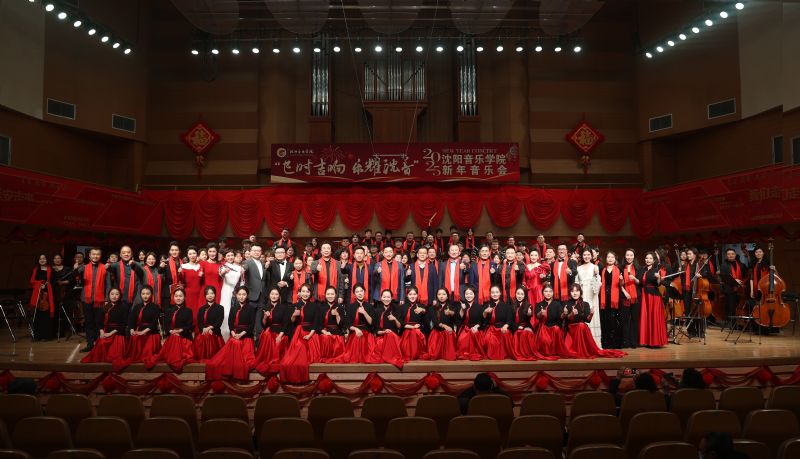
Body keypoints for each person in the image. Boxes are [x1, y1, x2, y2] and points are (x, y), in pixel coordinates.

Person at [205, 286, 257, 381]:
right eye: (239, 294)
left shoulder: (251, 308)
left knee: (243, 359)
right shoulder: (233, 308)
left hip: (246, 336)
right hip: (234, 335)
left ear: (247, 295)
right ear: (236, 295)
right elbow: (230, 323)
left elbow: (251, 325)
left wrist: (241, 335)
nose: (241, 296)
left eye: (244, 294)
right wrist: (233, 333)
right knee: (220, 360)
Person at [565, 284, 625, 359]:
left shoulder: (585, 304)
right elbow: (566, 319)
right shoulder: (566, 303)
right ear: (570, 292)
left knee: (581, 325)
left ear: (580, 292)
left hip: (581, 328)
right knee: (581, 325)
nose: (575, 293)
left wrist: (591, 314)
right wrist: (572, 314)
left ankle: (582, 350)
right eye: (572, 291)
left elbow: (588, 320)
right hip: (571, 329)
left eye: (577, 291)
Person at [279, 283, 322, 383]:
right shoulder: (294, 305)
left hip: (311, 332)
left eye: (307, 292)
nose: (305, 294)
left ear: (310, 293)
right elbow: (291, 322)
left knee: (303, 348)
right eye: (303, 291)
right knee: (299, 346)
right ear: (300, 293)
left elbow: (316, 323)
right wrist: (294, 315)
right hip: (298, 332)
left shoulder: (315, 306)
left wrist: (309, 335)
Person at [144, 288, 194, 372]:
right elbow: (166, 326)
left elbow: (189, 326)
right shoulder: (168, 311)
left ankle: (175, 360)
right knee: (174, 338)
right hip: (172, 336)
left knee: (176, 338)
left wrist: (180, 331)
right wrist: (170, 331)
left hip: (184, 337)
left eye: (180, 296)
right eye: (176, 296)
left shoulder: (188, 311)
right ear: (173, 297)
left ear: (184, 297)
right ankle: (173, 359)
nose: (178, 298)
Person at [115, 285, 161, 371]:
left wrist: (144, 332)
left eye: (147, 293)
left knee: (147, 353)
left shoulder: (155, 307)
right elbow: (131, 320)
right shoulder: (137, 306)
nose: (145, 296)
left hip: (150, 333)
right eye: (143, 294)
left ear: (151, 294)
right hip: (138, 331)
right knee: (135, 338)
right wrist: (132, 329)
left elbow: (154, 323)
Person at [81, 287, 128, 363]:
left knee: (115, 354)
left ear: (120, 296)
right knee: (102, 344)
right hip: (106, 331)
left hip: (117, 332)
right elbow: (99, 322)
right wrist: (102, 332)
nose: (114, 296)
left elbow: (123, 324)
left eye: (117, 294)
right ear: (109, 295)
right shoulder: (104, 307)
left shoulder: (123, 307)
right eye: (112, 294)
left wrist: (111, 333)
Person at [74, 247, 107, 352]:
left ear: (100, 256)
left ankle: (99, 344)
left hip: (100, 299)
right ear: (89, 256)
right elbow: (75, 277)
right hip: (86, 299)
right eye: (93, 254)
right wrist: (75, 269)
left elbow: (108, 285)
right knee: (89, 322)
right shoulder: (83, 267)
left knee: (99, 322)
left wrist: (107, 298)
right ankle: (90, 344)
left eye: (97, 254)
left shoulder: (105, 268)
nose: (95, 256)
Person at [255, 287, 291, 373]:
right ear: (269, 295)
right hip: (270, 330)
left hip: (281, 332)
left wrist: (280, 336)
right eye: (272, 294)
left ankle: (275, 361)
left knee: (279, 341)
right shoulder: (265, 307)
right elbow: (263, 325)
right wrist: (265, 317)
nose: (274, 296)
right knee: (266, 334)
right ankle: (266, 359)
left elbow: (286, 323)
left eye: (276, 294)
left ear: (279, 296)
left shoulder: (284, 307)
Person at [534, 285, 576, 358]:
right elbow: (537, 316)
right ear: (542, 293)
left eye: (550, 291)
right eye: (546, 291)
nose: (548, 293)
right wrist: (541, 313)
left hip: (554, 327)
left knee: (556, 329)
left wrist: (564, 313)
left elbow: (561, 317)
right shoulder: (539, 304)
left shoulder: (557, 304)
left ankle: (556, 352)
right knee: (545, 341)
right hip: (543, 328)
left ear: (553, 293)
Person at [366, 289, 405, 368]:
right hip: (381, 336)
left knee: (390, 336)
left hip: (393, 337)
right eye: (384, 297)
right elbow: (375, 329)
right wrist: (383, 332)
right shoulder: (377, 310)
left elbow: (400, 326)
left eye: (388, 297)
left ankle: (390, 357)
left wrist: (395, 319)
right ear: (381, 298)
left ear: (391, 298)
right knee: (380, 344)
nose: (386, 299)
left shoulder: (397, 309)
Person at [640, 252, 668, 347]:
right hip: (645, 295)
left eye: (650, 258)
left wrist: (659, 278)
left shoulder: (656, 270)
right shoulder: (642, 269)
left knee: (654, 318)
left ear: (653, 260)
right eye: (646, 258)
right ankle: (647, 341)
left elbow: (658, 284)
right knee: (646, 318)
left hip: (653, 296)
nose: (648, 260)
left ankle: (655, 341)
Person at [575, 248, 602, 347]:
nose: (586, 257)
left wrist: (596, 274)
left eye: (588, 255)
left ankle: (594, 343)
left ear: (591, 256)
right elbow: (576, 283)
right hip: (582, 294)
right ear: (582, 256)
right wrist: (579, 294)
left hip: (592, 294)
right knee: (583, 314)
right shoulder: (578, 268)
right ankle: (584, 343)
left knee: (592, 313)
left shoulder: (595, 267)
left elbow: (598, 283)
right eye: (584, 255)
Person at [599, 251, 625, 349]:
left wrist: (621, 280)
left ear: (615, 259)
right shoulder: (602, 270)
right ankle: (606, 342)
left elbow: (621, 285)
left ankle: (615, 342)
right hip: (604, 297)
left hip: (615, 297)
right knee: (605, 319)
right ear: (606, 259)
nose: (610, 259)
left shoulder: (619, 269)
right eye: (608, 257)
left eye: (612, 257)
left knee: (615, 319)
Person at [424, 288, 458, 361]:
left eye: (443, 294)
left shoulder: (452, 307)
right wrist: (444, 326)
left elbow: (456, 321)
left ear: (447, 296)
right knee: (433, 354)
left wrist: (452, 314)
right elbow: (435, 322)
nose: (441, 296)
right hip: (437, 331)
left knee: (450, 354)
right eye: (439, 294)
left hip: (448, 332)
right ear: (437, 296)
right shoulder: (432, 308)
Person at [482, 285, 514, 360]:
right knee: (489, 339)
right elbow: (482, 320)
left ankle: (504, 354)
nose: (495, 294)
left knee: (506, 334)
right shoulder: (486, 305)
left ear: (500, 293)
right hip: (491, 329)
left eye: (497, 292)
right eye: (492, 292)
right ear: (490, 294)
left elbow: (509, 319)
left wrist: (506, 325)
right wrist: (485, 312)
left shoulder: (506, 306)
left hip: (502, 327)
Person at [243, 243, 269, 338]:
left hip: (262, 296)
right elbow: (244, 268)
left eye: (258, 251)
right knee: (249, 320)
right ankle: (249, 340)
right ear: (250, 252)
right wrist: (242, 269)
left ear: (261, 252)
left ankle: (258, 340)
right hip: (251, 296)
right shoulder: (247, 262)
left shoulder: (263, 263)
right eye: (254, 250)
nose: (256, 252)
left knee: (259, 321)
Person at [194, 286, 225, 361]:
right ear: (205, 296)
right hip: (203, 332)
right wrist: (204, 329)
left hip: (215, 332)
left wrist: (210, 328)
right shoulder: (201, 309)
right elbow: (199, 323)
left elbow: (219, 322)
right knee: (205, 336)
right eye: (207, 294)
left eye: (212, 293)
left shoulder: (220, 308)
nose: (210, 295)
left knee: (209, 336)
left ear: (215, 294)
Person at [457, 286, 486, 361]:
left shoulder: (479, 306)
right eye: (467, 294)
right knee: (461, 340)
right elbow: (460, 318)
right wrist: (462, 309)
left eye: (471, 293)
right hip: (465, 328)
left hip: (476, 329)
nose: (468, 295)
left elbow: (482, 320)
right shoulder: (461, 305)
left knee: (475, 336)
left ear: (474, 295)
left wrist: (477, 326)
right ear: (464, 295)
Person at [30, 254, 55, 341]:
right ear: (38, 260)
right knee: (37, 315)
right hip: (38, 295)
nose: (42, 260)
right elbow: (32, 282)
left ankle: (46, 336)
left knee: (46, 316)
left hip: (47, 295)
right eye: (40, 259)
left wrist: (47, 285)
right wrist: (39, 284)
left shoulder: (51, 269)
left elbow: (54, 281)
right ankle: (37, 336)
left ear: (47, 260)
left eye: (44, 258)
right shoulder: (35, 270)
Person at [318, 286, 346, 361]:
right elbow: (318, 324)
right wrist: (325, 332)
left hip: (337, 332)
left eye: (332, 294)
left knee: (337, 338)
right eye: (328, 294)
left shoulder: (340, 307)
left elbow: (342, 325)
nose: (330, 296)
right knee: (325, 338)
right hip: (325, 331)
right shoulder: (321, 307)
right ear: (325, 295)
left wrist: (337, 315)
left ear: (335, 295)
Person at [399, 287, 427, 360]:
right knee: (411, 332)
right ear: (407, 295)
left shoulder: (422, 306)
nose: (412, 296)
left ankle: (415, 353)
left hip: (418, 330)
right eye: (410, 294)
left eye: (414, 294)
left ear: (417, 295)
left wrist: (422, 310)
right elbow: (400, 322)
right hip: (406, 329)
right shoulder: (402, 307)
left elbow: (426, 317)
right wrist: (411, 327)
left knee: (415, 332)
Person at [719, 248, 747, 322]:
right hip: (729, 289)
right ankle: (731, 323)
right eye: (728, 254)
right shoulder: (723, 265)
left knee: (738, 306)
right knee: (730, 307)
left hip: (740, 289)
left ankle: (738, 322)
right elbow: (725, 278)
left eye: (732, 254)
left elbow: (746, 274)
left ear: (735, 255)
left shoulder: (741, 264)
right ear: (726, 256)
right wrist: (735, 280)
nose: (730, 255)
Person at [180, 246, 204, 329]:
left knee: (199, 313)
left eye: (194, 253)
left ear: (197, 254)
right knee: (189, 313)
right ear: (187, 255)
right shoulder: (183, 266)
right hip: (188, 293)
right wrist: (179, 273)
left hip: (200, 293)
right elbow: (181, 281)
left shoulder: (200, 266)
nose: (192, 255)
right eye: (190, 254)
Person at [621, 249, 641, 347]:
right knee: (625, 320)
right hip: (624, 296)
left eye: (631, 255)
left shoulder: (638, 268)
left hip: (636, 296)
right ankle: (625, 341)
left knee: (634, 319)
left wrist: (635, 279)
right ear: (625, 256)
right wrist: (625, 292)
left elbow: (640, 282)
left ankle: (634, 342)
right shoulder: (621, 267)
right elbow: (619, 284)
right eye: (627, 255)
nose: (629, 257)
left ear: (634, 256)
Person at [161, 241, 182, 307]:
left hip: (180, 294)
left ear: (179, 251)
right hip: (168, 294)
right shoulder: (165, 263)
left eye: (176, 250)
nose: (174, 252)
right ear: (169, 251)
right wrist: (161, 267)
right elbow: (159, 272)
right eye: (172, 250)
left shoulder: (183, 264)